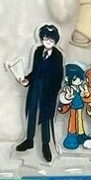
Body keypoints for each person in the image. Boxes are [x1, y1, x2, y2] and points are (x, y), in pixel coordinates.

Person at [15, 24, 64, 160]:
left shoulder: (58, 55)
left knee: (45, 117)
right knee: (31, 112)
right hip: (35, 87)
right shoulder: (37, 51)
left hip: (48, 90)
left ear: (55, 40)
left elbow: (59, 76)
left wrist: (53, 91)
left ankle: (45, 144)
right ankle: (29, 139)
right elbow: (35, 70)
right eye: (45, 38)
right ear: (41, 38)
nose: (48, 41)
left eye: (51, 39)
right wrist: (27, 80)